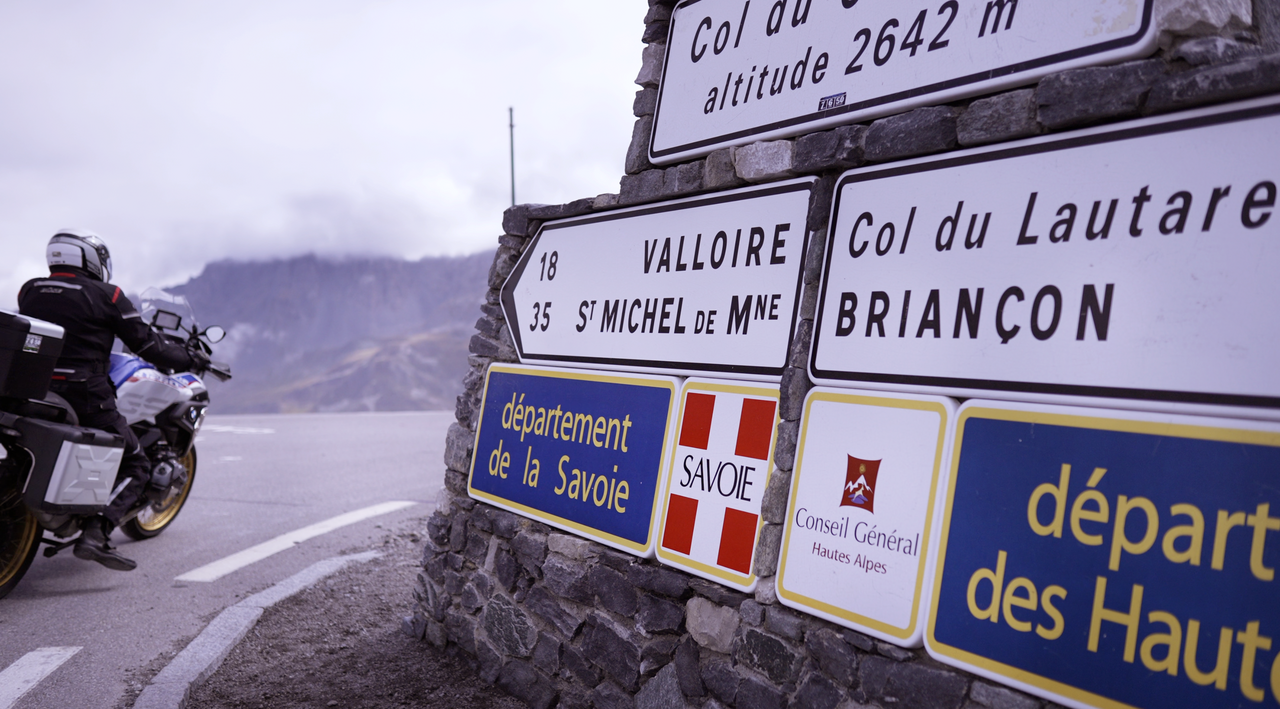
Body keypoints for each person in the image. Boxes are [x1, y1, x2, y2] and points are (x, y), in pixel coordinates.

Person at [18, 229, 198, 571]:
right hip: (84, 394)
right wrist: (188, 358)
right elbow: (148, 345)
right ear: (91, 260)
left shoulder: (30, 289)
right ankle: (96, 535)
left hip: (33, 390)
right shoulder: (108, 294)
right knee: (137, 463)